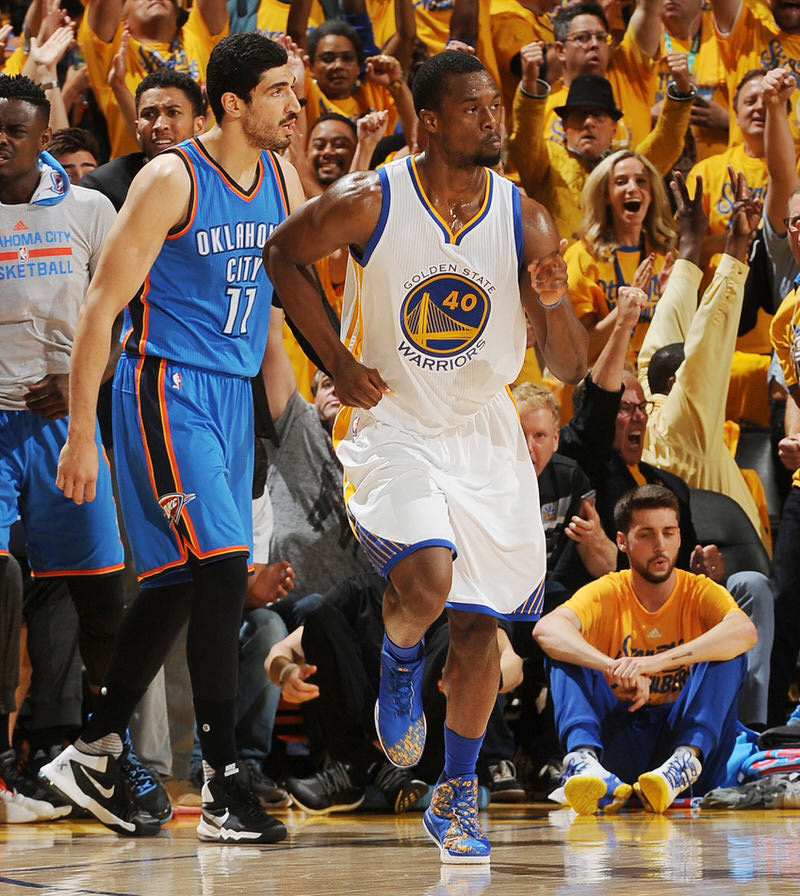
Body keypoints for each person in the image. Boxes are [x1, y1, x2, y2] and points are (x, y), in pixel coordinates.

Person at [264, 50, 587, 864]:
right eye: (474, 108)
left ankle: (457, 790)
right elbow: (282, 256)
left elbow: (571, 364)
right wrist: (335, 361)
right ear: (431, 121)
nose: (494, 119)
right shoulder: (373, 200)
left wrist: (553, 298)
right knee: (430, 580)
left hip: (484, 428)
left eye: (497, 106)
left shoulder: (527, 219)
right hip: (396, 420)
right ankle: (401, 662)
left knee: (481, 625)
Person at [40, 33, 303, 844]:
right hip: (166, 385)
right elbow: (99, 308)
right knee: (224, 565)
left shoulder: (282, 177)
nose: (294, 106)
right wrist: (82, 434)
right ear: (232, 104)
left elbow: (272, 312)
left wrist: (292, 420)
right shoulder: (169, 179)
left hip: (229, 398)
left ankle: (92, 749)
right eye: (279, 92)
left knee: (186, 579)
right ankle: (225, 783)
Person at [0, 73, 126, 821]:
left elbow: (119, 313)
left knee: (101, 596)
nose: (1, 140)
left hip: (64, 425)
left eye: (15, 129)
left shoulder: (88, 209)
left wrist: (83, 382)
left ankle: (99, 754)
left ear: (43, 137)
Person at [533, 484, 757, 815]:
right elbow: (546, 630)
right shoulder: (609, 590)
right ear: (622, 542)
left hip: (687, 743)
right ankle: (583, 761)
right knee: (564, 655)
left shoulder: (699, 591)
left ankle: (684, 761)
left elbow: (744, 631)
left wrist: (649, 664)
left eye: (669, 533)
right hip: (622, 738)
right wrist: (613, 666)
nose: (660, 545)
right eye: (647, 535)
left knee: (727, 651)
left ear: (680, 537)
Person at [509, 44, 695, 243]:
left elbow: (665, 143)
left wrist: (681, 92)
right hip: (557, 269)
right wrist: (529, 84)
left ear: (614, 128)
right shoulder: (545, 161)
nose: (588, 123)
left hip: (614, 269)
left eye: (598, 116)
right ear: (564, 126)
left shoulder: (624, 167)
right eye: (579, 116)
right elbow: (525, 138)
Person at [565, 149, 677, 364]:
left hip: (649, 382)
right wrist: (624, 311)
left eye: (641, 181)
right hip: (597, 382)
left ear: (652, 194)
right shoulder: (582, 257)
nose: (632, 188)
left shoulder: (666, 258)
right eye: (621, 181)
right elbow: (578, 354)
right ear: (605, 195)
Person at [80, 68, 207, 211]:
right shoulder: (102, 188)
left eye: (173, 113)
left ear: (199, 125)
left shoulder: (221, 179)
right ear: (137, 129)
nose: (160, 125)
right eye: (149, 114)